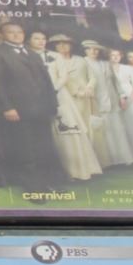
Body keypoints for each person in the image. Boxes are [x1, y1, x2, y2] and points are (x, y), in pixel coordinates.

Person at [0, 21, 64, 189]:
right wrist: (7, 107)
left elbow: (46, 81)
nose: (16, 35)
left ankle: (51, 183)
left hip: (41, 109)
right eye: (11, 32)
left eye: (19, 32)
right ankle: (34, 187)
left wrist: (52, 105)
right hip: (17, 110)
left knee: (44, 146)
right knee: (25, 149)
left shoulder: (32, 53)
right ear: (1, 35)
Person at [45, 35, 102, 181]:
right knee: (73, 132)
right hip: (68, 99)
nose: (63, 46)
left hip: (85, 99)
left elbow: (92, 77)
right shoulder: (53, 59)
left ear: (71, 45)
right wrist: (75, 92)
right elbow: (60, 80)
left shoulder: (80, 60)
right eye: (59, 44)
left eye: (66, 44)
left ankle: (90, 163)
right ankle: (73, 168)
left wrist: (89, 88)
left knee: (87, 129)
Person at [83, 43, 133, 170]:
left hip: (112, 99)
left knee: (117, 129)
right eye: (90, 49)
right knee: (103, 131)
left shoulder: (105, 63)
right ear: (85, 51)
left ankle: (123, 158)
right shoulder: (84, 63)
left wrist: (121, 96)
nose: (93, 52)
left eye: (96, 49)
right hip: (96, 101)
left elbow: (115, 81)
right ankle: (108, 161)